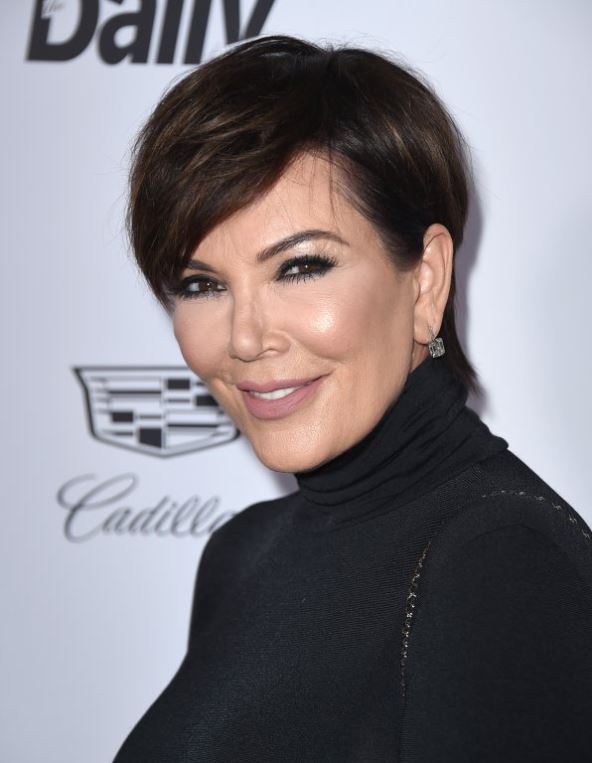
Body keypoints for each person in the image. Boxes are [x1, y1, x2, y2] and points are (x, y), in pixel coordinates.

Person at [112, 34, 592, 762]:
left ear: (426, 280)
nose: (245, 338)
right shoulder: (242, 552)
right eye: (203, 284)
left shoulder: (499, 561)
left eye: (301, 267)